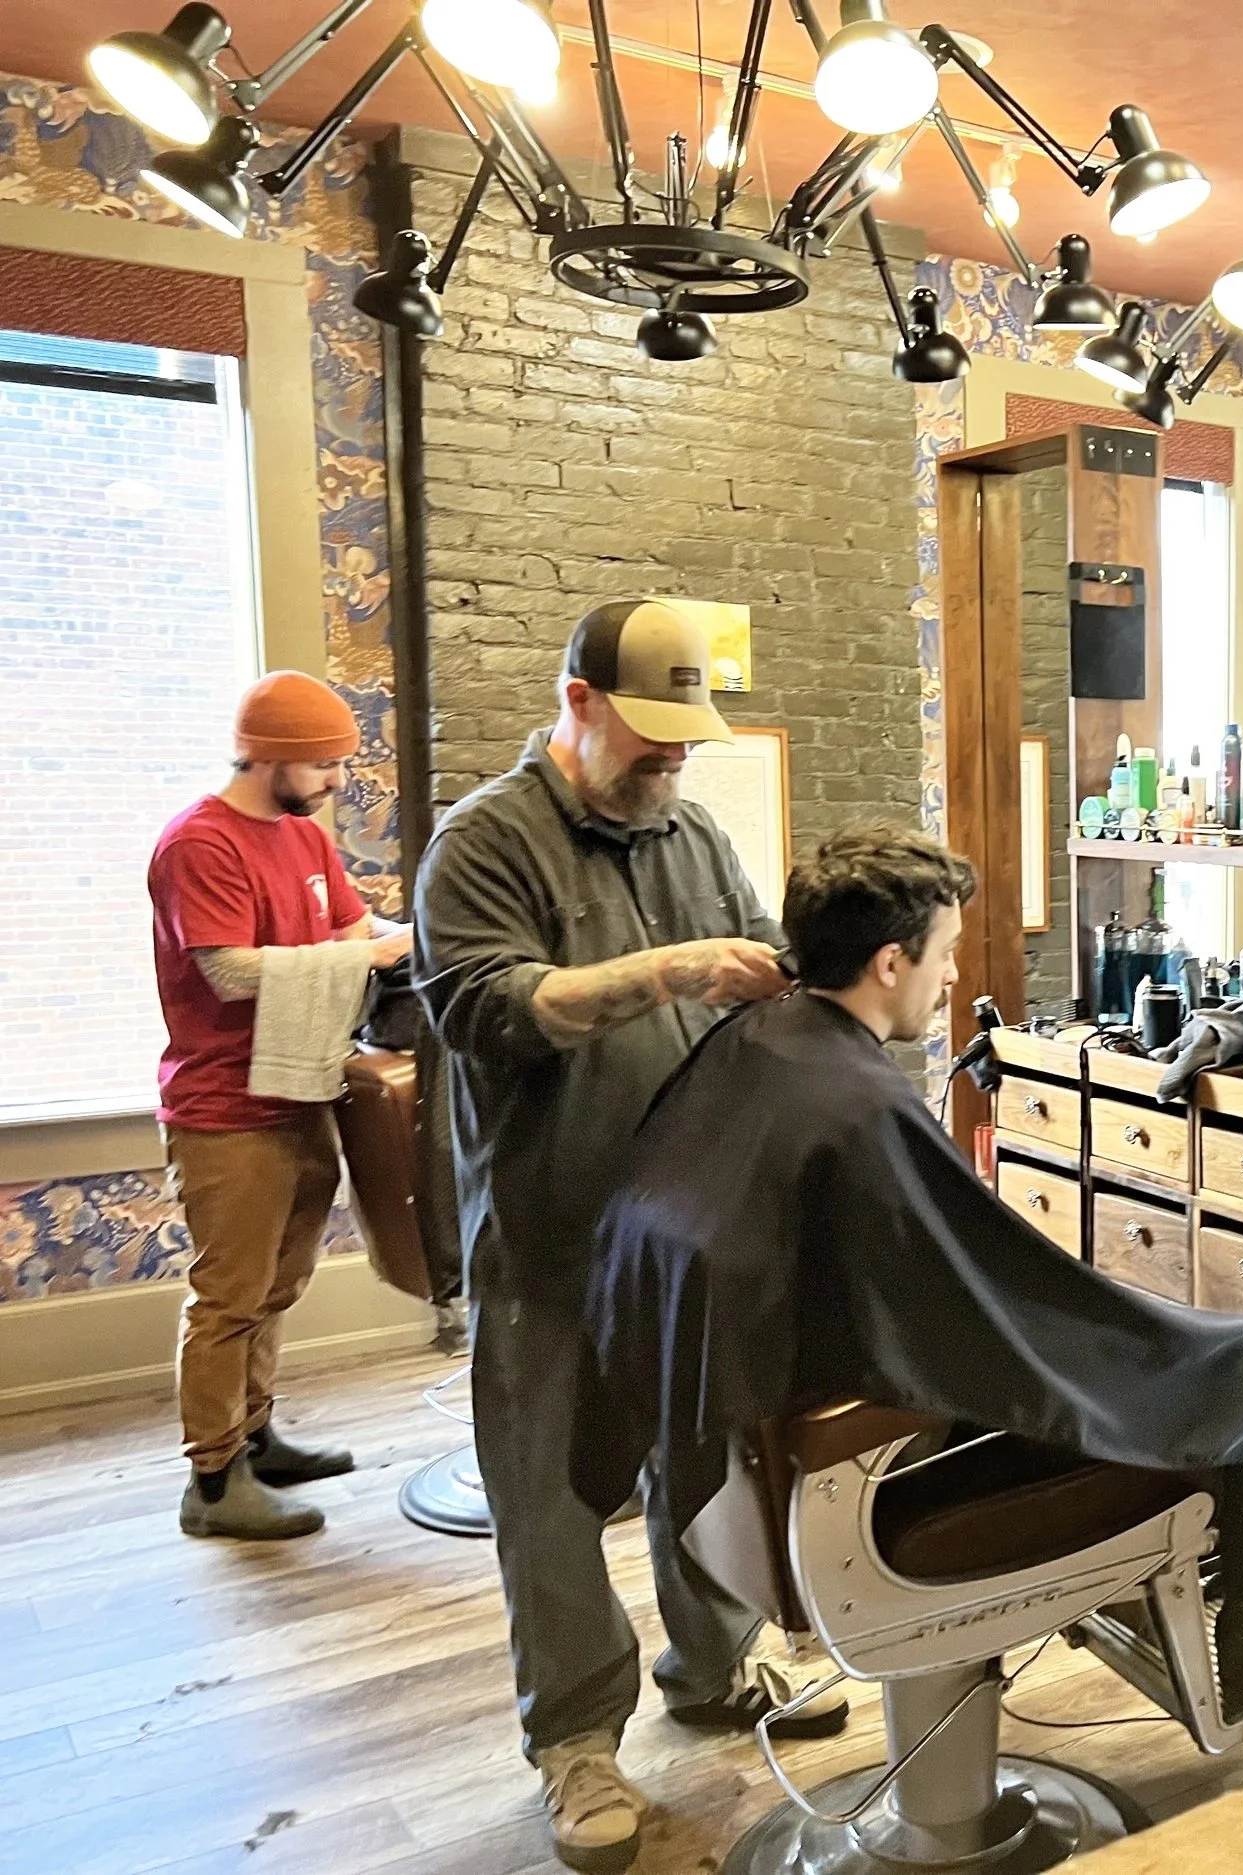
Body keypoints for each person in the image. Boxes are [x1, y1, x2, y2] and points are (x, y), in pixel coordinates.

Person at [576, 826, 1243, 1732]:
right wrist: (1147, 1338)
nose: (949, 979)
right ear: (892, 960)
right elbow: (991, 1309)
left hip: (748, 1471)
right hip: (837, 1489)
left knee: (1199, 1350)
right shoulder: (855, 1109)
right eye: (943, 956)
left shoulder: (755, 1043)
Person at [414, 600, 847, 1875]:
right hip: (551, 1233)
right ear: (579, 701)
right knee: (547, 1496)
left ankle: (714, 1666)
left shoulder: (692, 829)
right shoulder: (482, 847)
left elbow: (758, 964)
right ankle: (577, 1743)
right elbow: (499, 1011)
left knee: (696, 1456)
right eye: (649, 736)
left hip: (682, 1229)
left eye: (685, 740)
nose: (671, 760)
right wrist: (670, 970)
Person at [149, 670, 404, 1542]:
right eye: (326, 765)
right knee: (228, 1295)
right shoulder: (199, 844)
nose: (338, 782)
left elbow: (349, 926)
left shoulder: (301, 839)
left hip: (301, 1087)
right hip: (224, 1105)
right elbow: (229, 967)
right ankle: (214, 1483)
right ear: (272, 758)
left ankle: (254, 1435)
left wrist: (410, 933)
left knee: (279, 1283)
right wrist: (367, 957)